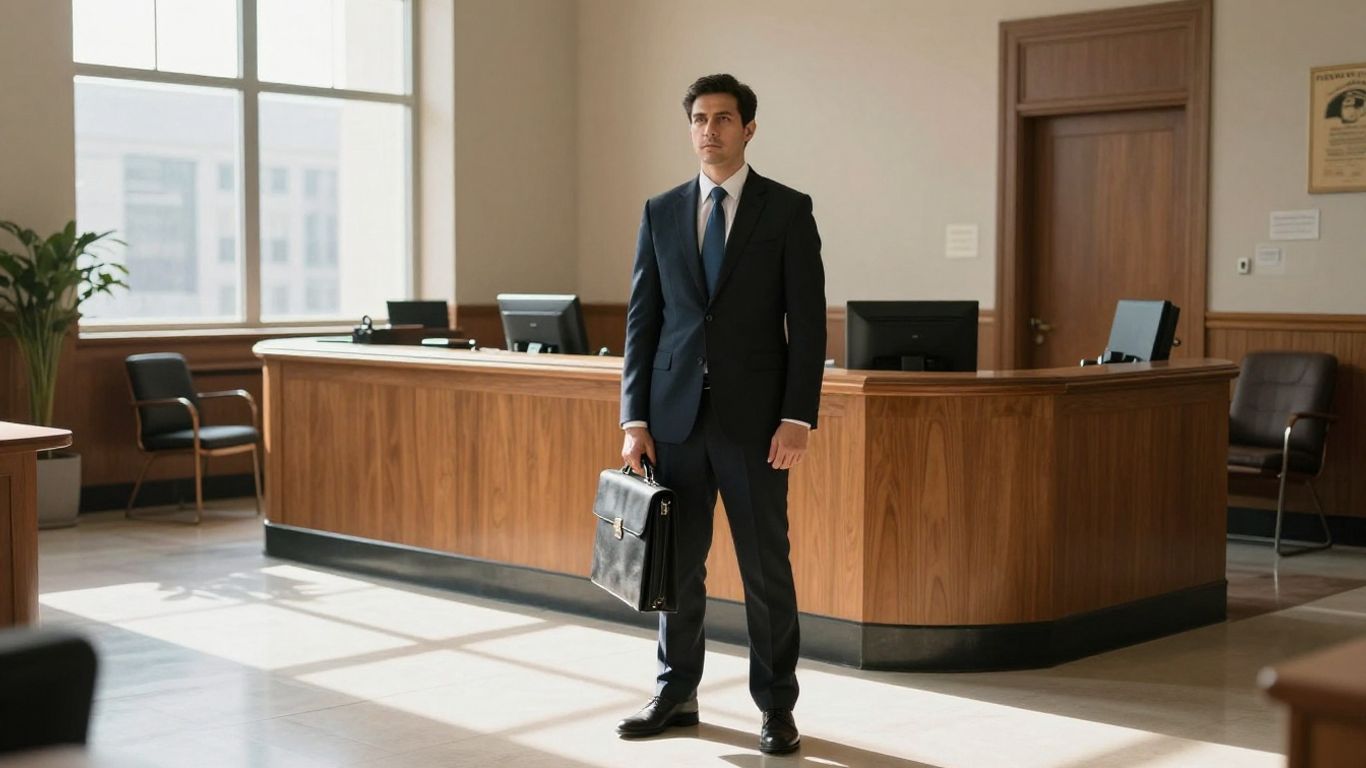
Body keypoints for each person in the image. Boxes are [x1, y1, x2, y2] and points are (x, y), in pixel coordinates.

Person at [616, 73, 826, 756]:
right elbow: (642, 326)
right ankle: (676, 690)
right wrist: (634, 419)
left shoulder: (788, 211)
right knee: (677, 571)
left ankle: (776, 707)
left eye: (725, 119)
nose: (711, 130)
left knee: (766, 569)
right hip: (674, 421)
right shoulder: (660, 212)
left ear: (749, 129)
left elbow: (809, 327)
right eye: (700, 119)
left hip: (757, 425)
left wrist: (798, 416)